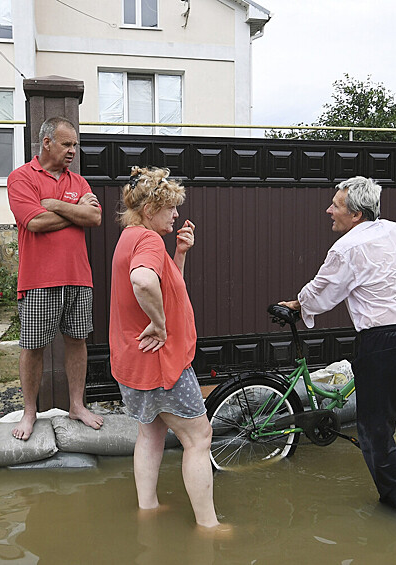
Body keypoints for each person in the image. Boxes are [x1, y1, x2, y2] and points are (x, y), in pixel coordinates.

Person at [280, 176, 396, 514]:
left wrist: (298, 304)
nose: (329, 210)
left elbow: (322, 290)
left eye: (336, 206)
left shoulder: (346, 247)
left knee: (374, 427)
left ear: (355, 214)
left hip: (382, 340)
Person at [109, 166, 226, 532]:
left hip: (133, 363)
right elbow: (144, 282)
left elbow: (165, 285)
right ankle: (208, 527)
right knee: (199, 438)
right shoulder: (147, 240)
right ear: (149, 210)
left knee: (151, 432)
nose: (176, 215)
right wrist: (160, 326)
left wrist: (180, 254)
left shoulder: (130, 236)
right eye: (171, 208)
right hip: (164, 365)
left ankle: (149, 510)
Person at [6, 116, 104, 440]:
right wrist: (74, 212)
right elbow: (33, 222)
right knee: (33, 347)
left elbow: (95, 217)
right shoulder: (21, 178)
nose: (73, 150)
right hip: (38, 281)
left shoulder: (79, 182)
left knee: (77, 342)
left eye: (75, 144)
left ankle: (77, 405)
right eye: (67, 144)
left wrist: (55, 205)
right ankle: (29, 413)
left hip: (78, 278)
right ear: (47, 142)